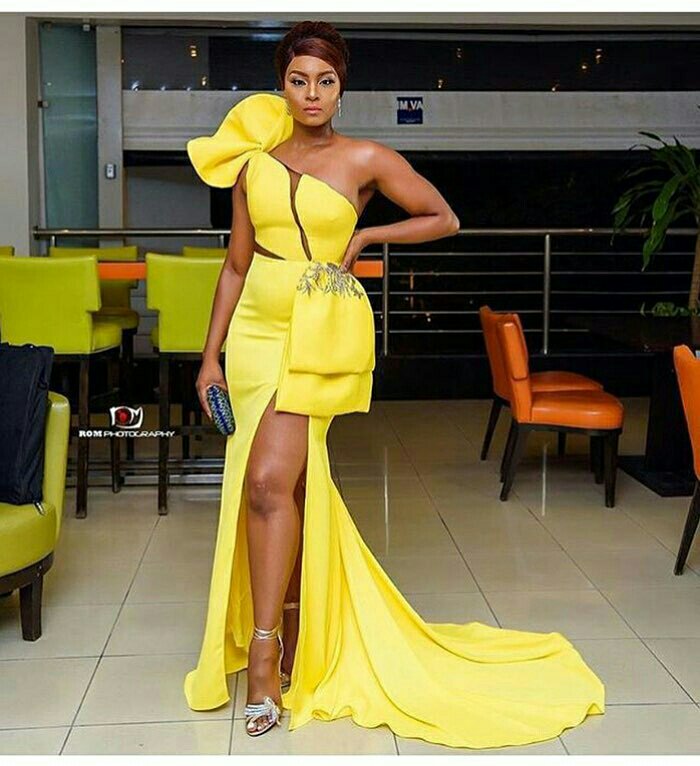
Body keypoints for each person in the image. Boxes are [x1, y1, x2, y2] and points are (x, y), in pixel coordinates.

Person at [185, 20, 605, 748]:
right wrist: (210, 357)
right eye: (298, 80)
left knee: (267, 484)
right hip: (252, 337)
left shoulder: (365, 158)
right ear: (281, 85)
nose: (312, 94)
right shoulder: (252, 166)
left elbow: (444, 217)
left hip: (316, 332)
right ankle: (294, 630)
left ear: (341, 89)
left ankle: (263, 658)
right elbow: (235, 264)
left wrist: (367, 236)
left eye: (325, 81)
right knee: (287, 491)